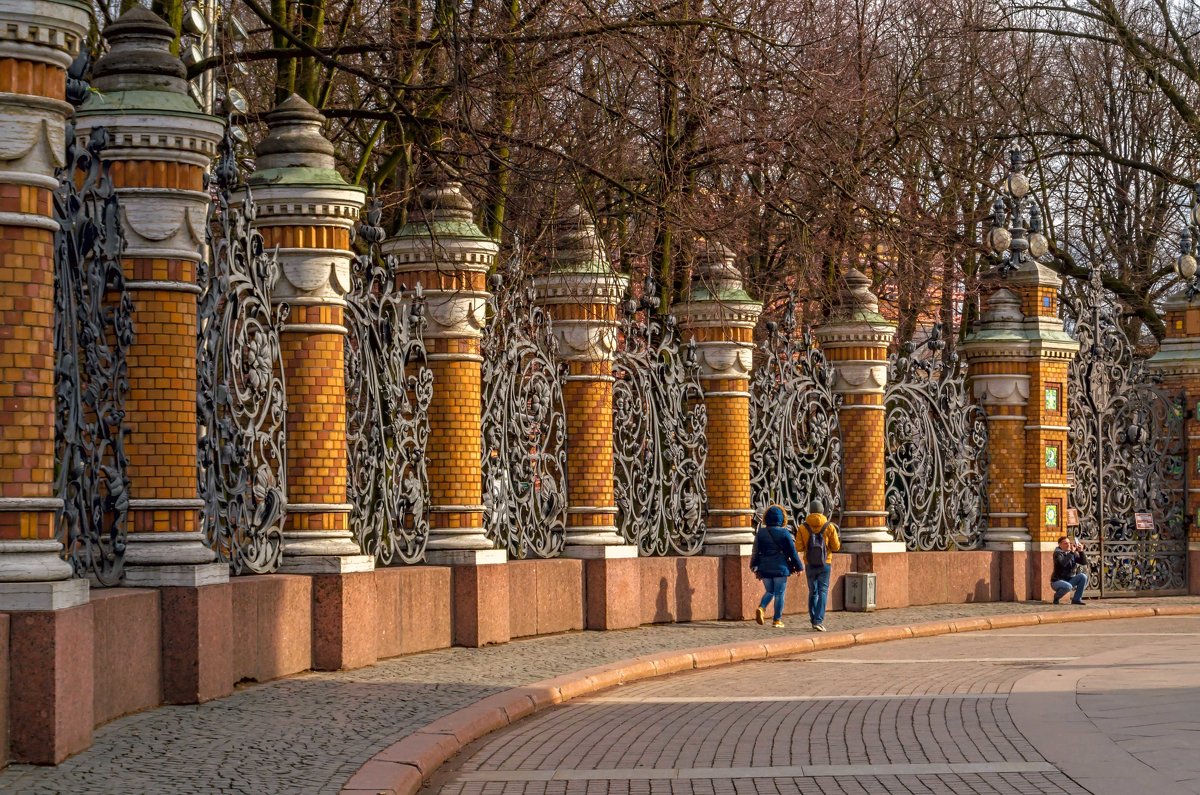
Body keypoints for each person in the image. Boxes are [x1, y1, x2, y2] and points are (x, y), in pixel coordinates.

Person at [750, 505, 804, 628]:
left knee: (770, 591)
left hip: (764, 567)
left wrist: (754, 565)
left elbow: (755, 551)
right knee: (779, 593)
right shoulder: (784, 532)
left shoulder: (761, 533)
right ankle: (777, 620)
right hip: (781, 567)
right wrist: (799, 567)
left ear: (766, 518)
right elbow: (792, 552)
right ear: (782, 518)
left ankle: (762, 608)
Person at [796, 503, 841, 632]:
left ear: (810, 511)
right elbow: (836, 547)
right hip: (825, 563)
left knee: (812, 591)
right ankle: (819, 620)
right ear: (822, 511)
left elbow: (798, 547)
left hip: (809, 563)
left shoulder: (803, 527)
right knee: (823, 591)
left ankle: (813, 619)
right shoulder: (829, 526)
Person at [1051, 535, 1088, 604]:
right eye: (1065, 543)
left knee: (1083, 576)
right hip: (1057, 581)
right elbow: (1063, 564)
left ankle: (1076, 599)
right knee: (1068, 586)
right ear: (1060, 545)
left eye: (1069, 543)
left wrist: (1081, 551)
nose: (1068, 545)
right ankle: (1056, 597)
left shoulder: (1072, 553)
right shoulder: (1057, 554)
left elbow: (1083, 562)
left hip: (1069, 580)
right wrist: (1071, 553)